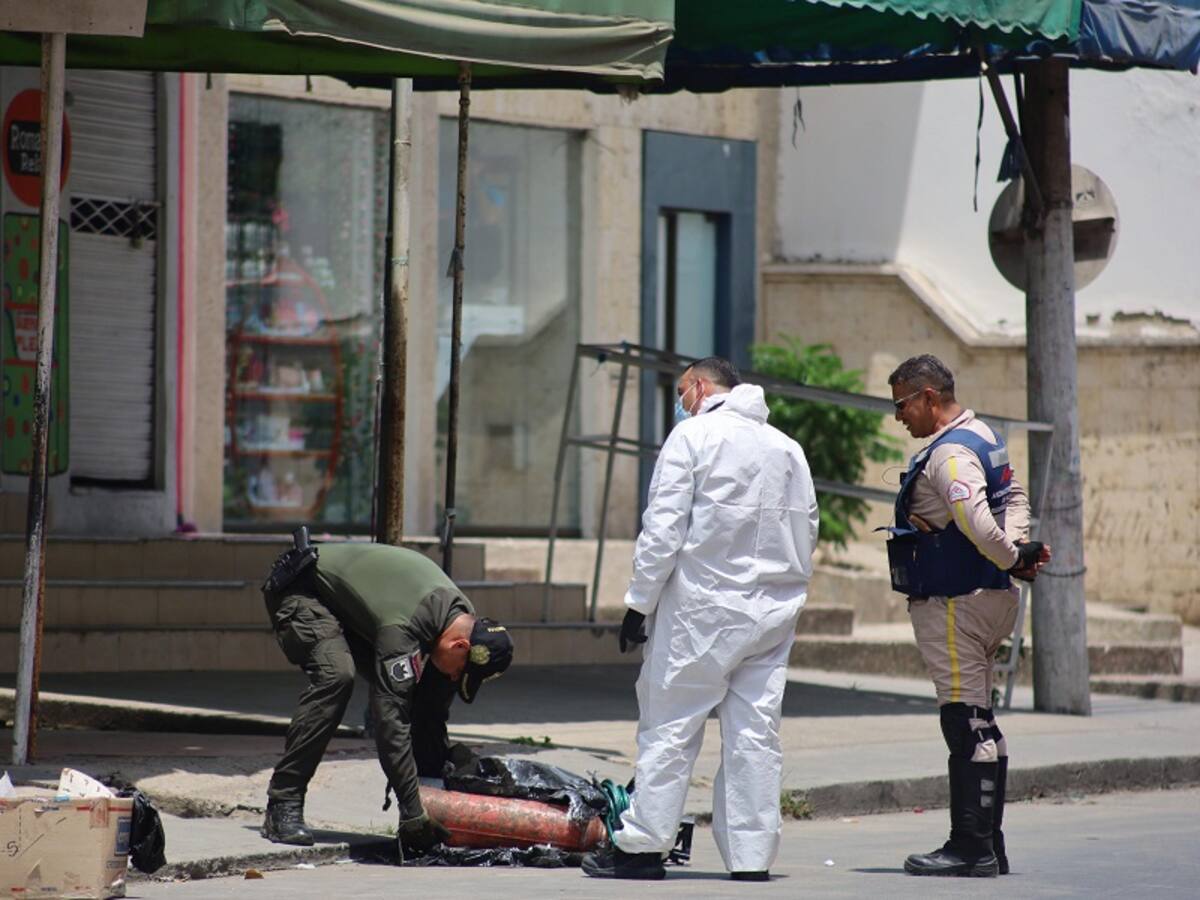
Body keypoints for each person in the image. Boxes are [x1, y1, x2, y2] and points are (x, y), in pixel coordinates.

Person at [582, 357, 819, 881]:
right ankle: (752, 858)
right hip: (772, 613)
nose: (680, 400)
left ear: (698, 386)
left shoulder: (693, 437)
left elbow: (663, 530)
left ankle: (643, 848)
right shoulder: (788, 449)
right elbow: (809, 529)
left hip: (702, 611)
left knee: (669, 725)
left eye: (681, 390)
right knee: (755, 734)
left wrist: (638, 603)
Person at [884, 355, 1050, 878]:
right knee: (983, 721)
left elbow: (977, 521)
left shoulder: (950, 454)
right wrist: (1018, 548)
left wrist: (1010, 555)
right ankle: (989, 844)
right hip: (990, 598)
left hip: (956, 602)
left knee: (964, 721)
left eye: (902, 405)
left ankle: (970, 846)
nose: (898, 417)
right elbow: (1014, 494)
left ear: (929, 398)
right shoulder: (983, 436)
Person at [259, 534, 513, 856]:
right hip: (301, 588)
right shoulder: (406, 629)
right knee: (336, 676)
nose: (453, 678)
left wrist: (437, 792)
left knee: (424, 697)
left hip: (348, 606)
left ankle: (425, 797)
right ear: (460, 647)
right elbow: (390, 721)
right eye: (458, 673)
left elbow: (430, 712)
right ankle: (283, 802)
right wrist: (412, 812)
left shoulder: (461, 623)